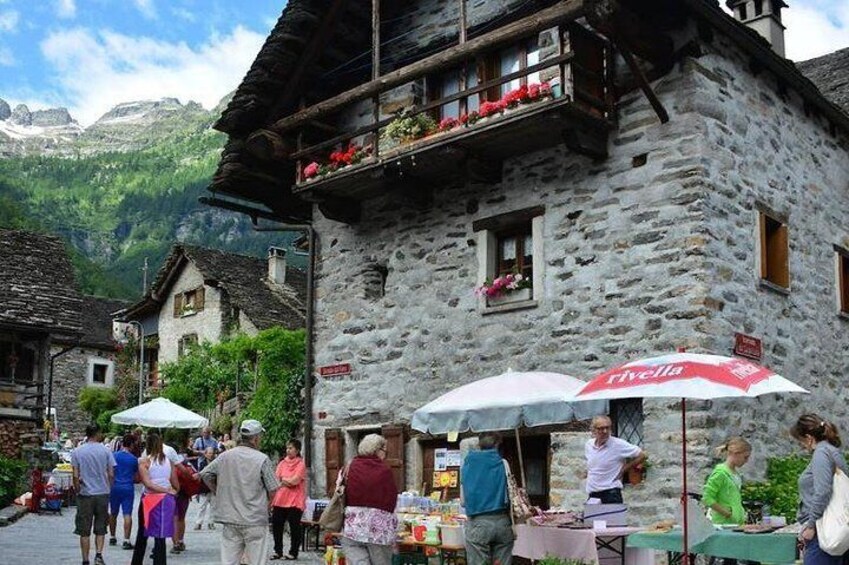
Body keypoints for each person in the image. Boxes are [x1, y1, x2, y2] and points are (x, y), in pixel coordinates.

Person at [199, 419, 280, 565]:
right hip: (254, 519)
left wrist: (217, 491)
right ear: (255, 438)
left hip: (231, 517)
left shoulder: (225, 456)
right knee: (257, 561)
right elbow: (273, 488)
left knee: (229, 561)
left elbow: (205, 474)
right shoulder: (262, 459)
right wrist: (266, 507)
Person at [791, 414, 849, 565]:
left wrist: (811, 525)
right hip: (835, 527)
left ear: (809, 438)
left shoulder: (821, 453)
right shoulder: (833, 451)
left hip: (822, 528)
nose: (803, 446)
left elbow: (823, 491)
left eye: (801, 441)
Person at [341, 434, 399, 565]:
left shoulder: (350, 466)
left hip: (353, 526)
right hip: (378, 530)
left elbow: (340, 489)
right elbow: (392, 498)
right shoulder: (384, 470)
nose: (385, 455)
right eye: (385, 451)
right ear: (377, 450)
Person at [460, 432, 513, 565]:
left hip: (478, 523)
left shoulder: (468, 464)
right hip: (502, 523)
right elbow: (511, 492)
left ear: (479, 445)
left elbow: (462, 501)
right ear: (497, 445)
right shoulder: (503, 463)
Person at [131, 433, 179, 565]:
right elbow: (175, 483)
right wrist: (170, 490)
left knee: (143, 531)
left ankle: (137, 561)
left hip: (150, 500)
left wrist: (164, 489)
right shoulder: (169, 462)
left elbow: (147, 483)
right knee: (160, 535)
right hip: (166, 500)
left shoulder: (144, 462)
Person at [71, 423, 116, 565]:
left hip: (85, 494)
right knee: (101, 527)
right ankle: (98, 555)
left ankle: (85, 559)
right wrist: (109, 487)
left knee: (84, 530)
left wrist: (78, 488)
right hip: (102, 492)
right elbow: (111, 473)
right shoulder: (106, 451)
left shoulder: (77, 451)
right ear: (97, 433)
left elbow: (75, 474)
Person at [585, 415, 646, 503]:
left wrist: (624, 469)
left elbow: (642, 455)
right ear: (594, 430)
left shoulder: (618, 444)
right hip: (593, 494)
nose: (605, 431)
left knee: (612, 517)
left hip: (611, 493)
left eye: (607, 428)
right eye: (601, 428)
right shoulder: (589, 445)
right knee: (592, 517)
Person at [271, 439, 307, 560]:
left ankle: (293, 552)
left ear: (297, 450)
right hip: (280, 499)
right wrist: (286, 480)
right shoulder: (282, 463)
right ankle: (278, 551)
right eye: (287, 448)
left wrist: (283, 480)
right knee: (277, 527)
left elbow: (295, 481)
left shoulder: (301, 464)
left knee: (294, 527)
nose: (288, 450)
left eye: (291, 448)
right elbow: (276, 480)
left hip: (295, 501)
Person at [703, 437, 751, 526]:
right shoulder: (720, 473)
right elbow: (707, 498)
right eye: (745, 457)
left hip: (735, 523)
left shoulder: (735, 474)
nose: (746, 461)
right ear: (736, 453)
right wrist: (727, 513)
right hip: (722, 524)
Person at [108, 434, 139, 550]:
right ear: (131, 445)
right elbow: (136, 478)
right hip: (127, 488)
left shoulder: (113, 456)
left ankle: (112, 536)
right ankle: (126, 540)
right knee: (127, 513)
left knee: (113, 512)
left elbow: (109, 471)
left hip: (115, 486)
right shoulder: (134, 459)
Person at [194, 447, 216, 531]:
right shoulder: (202, 463)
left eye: (212, 453)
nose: (210, 454)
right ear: (205, 454)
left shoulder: (216, 463)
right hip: (204, 488)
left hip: (213, 488)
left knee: (213, 507)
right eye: (209, 453)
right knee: (202, 507)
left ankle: (211, 522)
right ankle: (198, 523)